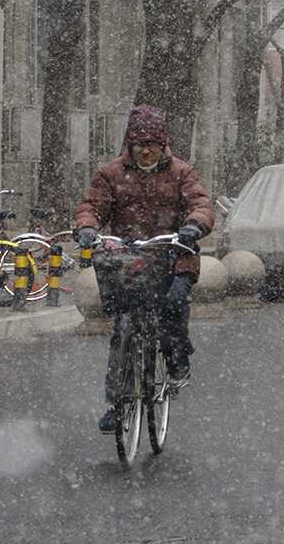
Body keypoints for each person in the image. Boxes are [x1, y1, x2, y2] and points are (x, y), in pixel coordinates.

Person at [74, 104, 215, 434]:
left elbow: (200, 205)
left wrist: (194, 226)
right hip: (131, 256)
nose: (147, 151)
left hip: (174, 254)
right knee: (123, 324)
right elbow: (91, 206)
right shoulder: (110, 173)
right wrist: (86, 228)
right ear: (130, 144)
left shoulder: (182, 172)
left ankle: (178, 358)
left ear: (162, 144)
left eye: (153, 144)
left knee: (175, 302)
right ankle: (115, 403)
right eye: (140, 145)